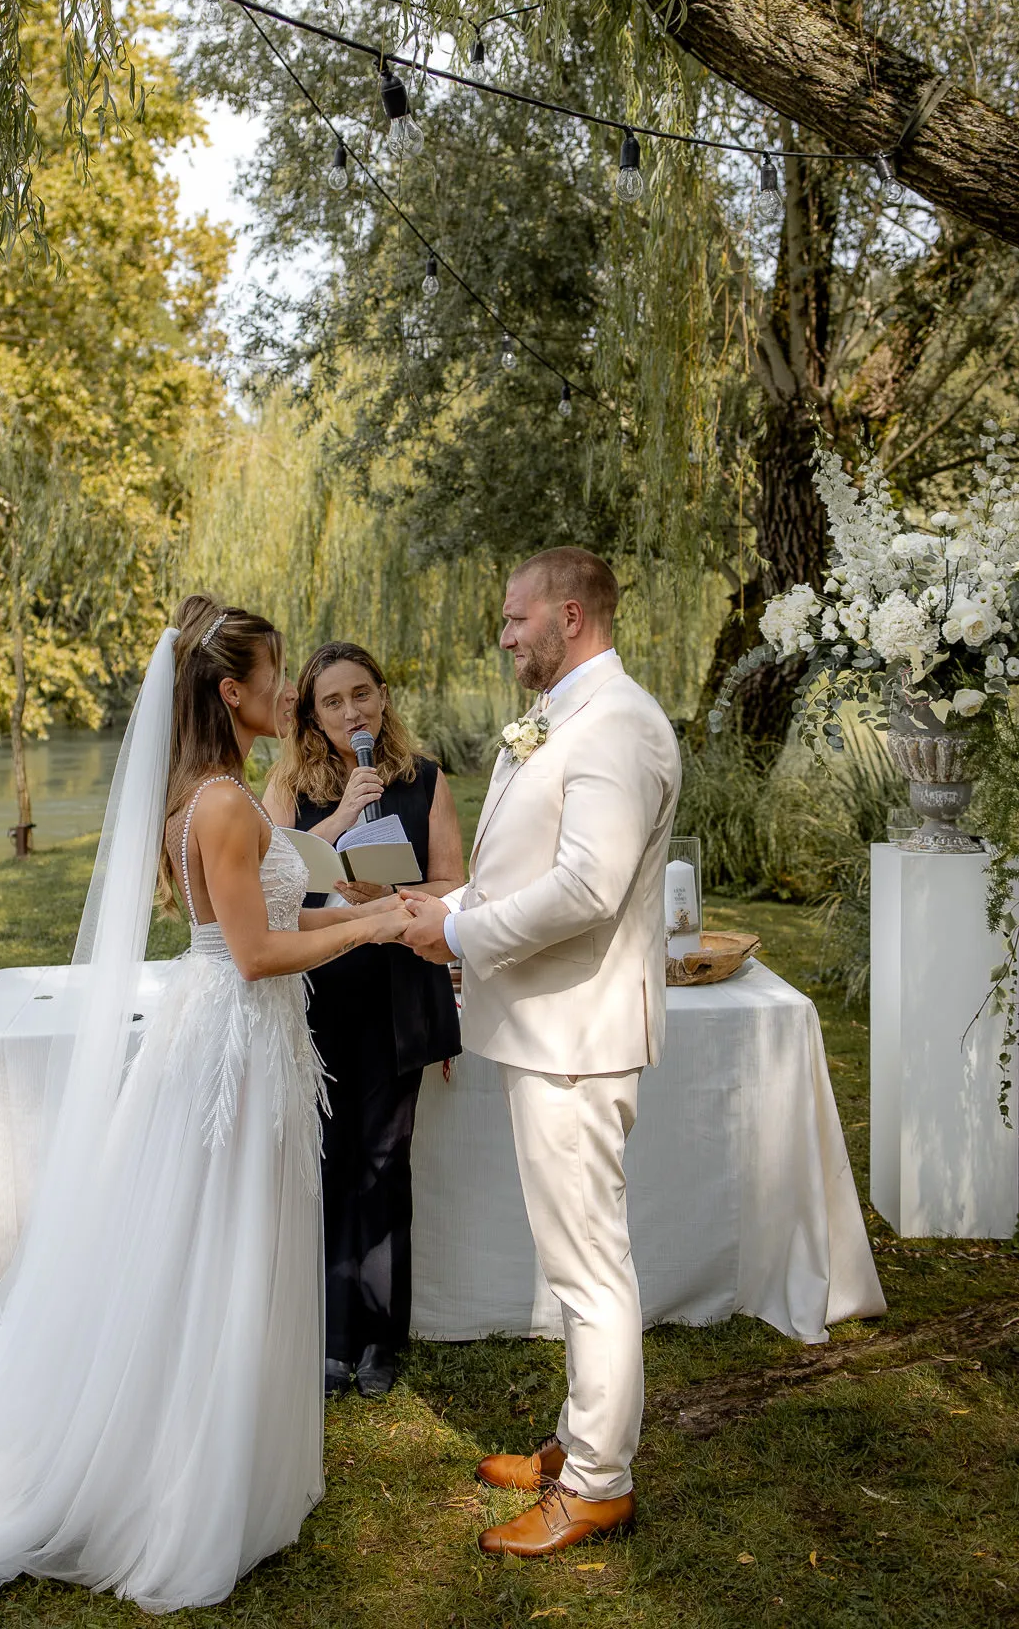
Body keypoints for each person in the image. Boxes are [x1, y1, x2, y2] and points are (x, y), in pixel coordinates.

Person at [0, 596, 413, 1626]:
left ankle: (217, 1467)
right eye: (276, 678)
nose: (289, 694)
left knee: (215, 1252)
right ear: (233, 692)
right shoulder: (225, 803)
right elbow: (254, 953)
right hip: (230, 1042)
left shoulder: (216, 790)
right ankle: (181, 1494)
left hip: (241, 1035)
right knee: (214, 1255)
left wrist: (353, 905)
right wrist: (376, 932)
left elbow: (274, 910)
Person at [401, 549, 681, 1557]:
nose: (505, 634)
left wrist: (462, 938)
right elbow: (525, 867)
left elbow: (587, 890)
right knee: (574, 1259)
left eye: (516, 618)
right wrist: (443, 908)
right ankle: (577, 1442)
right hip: (548, 1024)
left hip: (579, 1030)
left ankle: (600, 1485)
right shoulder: (566, 717)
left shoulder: (617, 726)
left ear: (571, 615)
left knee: (589, 1267)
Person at [265, 642, 464, 1400]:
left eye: (362, 695)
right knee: (327, 1158)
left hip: (398, 983)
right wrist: (339, 879)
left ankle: (382, 1338)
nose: (352, 711)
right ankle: (328, 1332)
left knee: (385, 1162)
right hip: (318, 984)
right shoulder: (287, 787)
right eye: (332, 701)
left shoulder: (426, 778)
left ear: (383, 697)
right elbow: (268, 888)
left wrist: (392, 898)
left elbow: (454, 879)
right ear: (311, 716)